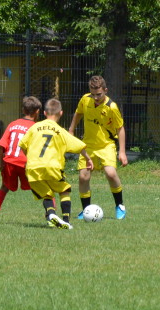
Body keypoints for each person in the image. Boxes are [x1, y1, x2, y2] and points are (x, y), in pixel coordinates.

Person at [21, 97, 92, 229]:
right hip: (52, 166)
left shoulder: (34, 128)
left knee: (47, 194)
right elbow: (79, 146)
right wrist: (88, 158)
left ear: (44, 113)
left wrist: (29, 159)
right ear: (61, 113)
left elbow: (22, 145)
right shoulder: (60, 131)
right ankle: (66, 220)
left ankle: (52, 214)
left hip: (33, 168)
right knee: (64, 190)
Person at [69, 75, 128, 220]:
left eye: (99, 94)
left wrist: (122, 152)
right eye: (93, 94)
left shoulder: (112, 107)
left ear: (105, 90)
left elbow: (120, 128)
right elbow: (78, 113)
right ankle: (86, 210)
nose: (95, 97)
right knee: (83, 177)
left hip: (106, 145)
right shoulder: (85, 99)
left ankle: (120, 205)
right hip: (88, 145)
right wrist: (71, 130)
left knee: (111, 173)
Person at [0, 96, 43, 224]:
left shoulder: (13, 124)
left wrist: (0, 163)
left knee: (4, 187)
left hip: (9, 162)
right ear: (37, 111)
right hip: (26, 164)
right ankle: (51, 216)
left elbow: (1, 145)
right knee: (42, 187)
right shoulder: (36, 128)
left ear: (23, 110)